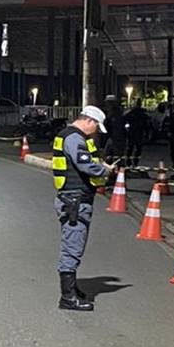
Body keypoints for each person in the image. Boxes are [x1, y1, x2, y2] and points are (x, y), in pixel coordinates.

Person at [53, 106, 113, 312]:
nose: (95, 131)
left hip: (72, 199)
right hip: (75, 201)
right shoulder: (74, 139)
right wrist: (105, 171)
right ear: (89, 121)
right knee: (73, 246)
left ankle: (72, 289)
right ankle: (68, 297)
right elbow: (85, 164)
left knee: (73, 244)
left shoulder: (68, 136)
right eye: (96, 127)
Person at [101, 95, 127, 166]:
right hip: (113, 138)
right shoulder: (113, 113)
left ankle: (117, 171)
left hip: (116, 138)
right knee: (110, 156)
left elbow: (115, 126)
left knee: (116, 156)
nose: (107, 105)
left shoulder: (116, 114)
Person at [125, 100, 151, 168]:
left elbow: (125, 120)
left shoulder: (132, 113)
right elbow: (147, 125)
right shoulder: (143, 113)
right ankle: (134, 162)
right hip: (138, 132)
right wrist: (147, 134)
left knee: (130, 148)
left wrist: (127, 129)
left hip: (133, 132)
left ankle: (129, 162)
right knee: (137, 149)